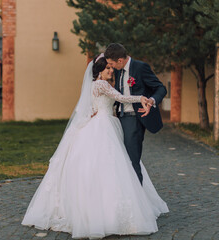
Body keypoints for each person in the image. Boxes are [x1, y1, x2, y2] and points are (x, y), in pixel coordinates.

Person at [21, 54, 169, 239]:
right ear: (99, 71)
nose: (110, 70)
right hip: (104, 125)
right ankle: (109, 212)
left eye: (110, 67)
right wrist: (142, 98)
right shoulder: (101, 84)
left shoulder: (95, 86)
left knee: (114, 165)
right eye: (107, 68)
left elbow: (92, 108)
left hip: (105, 121)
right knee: (110, 165)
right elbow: (121, 98)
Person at [104, 43, 167, 185]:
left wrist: (151, 100)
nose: (111, 67)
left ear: (120, 60)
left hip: (134, 119)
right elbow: (120, 94)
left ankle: (137, 199)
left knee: (132, 160)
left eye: (112, 64)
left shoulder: (140, 68)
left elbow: (160, 88)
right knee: (121, 159)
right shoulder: (119, 70)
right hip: (119, 119)